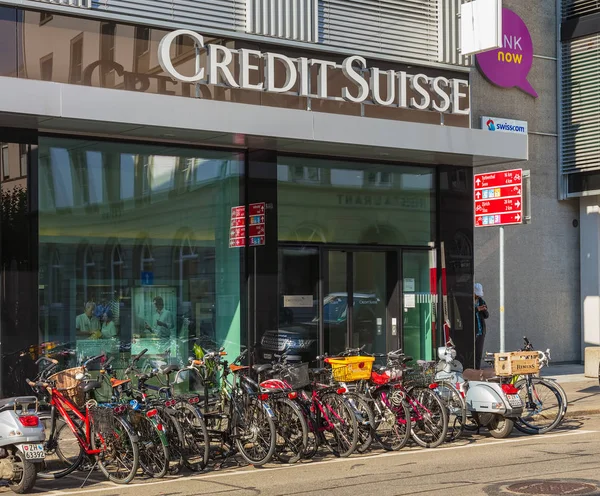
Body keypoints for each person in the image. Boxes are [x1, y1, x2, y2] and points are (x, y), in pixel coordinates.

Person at [474, 282, 489, 369]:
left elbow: (486, 315)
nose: (478, 296)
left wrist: (483, 310)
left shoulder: (481, 301)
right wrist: (477, 309)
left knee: (478, 353)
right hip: (472, 330)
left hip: (481, 331)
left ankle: (477, 369)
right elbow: (466, 313)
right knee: (471, 353)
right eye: (476, 294)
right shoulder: (468, 301)